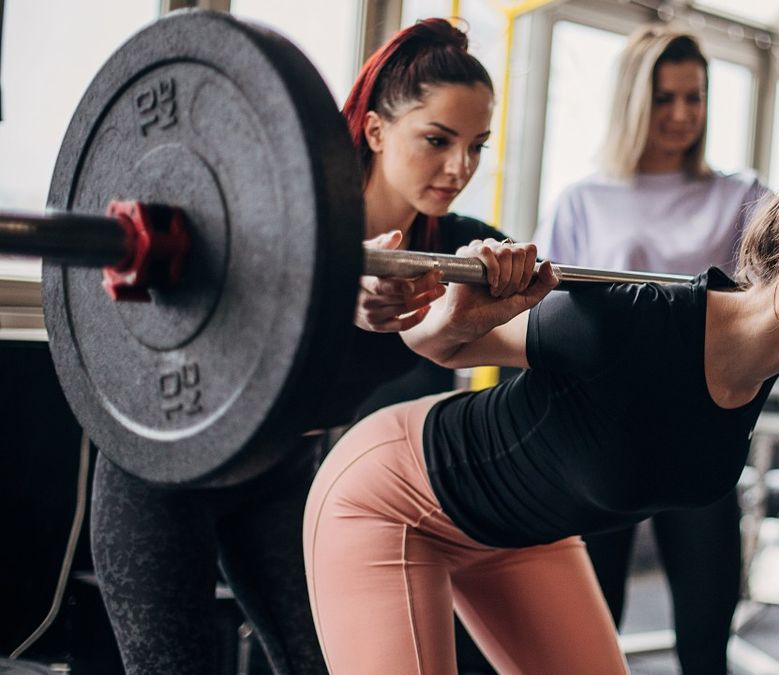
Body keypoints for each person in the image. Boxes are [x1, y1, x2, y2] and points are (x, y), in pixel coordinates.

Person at [303, 118, 779, 674]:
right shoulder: (631, 323)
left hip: (522, 536)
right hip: (393, 501)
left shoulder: (769, 362)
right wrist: (467, 310)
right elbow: (441, 346)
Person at [89, 19, 503, 675]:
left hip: (283, 476)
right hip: (166, 476)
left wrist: (512, 275)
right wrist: (336, 284)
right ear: (374, 131)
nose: (461, 167)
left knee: (329, 663)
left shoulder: (455, 246)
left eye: (477, 145)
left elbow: (532, 298)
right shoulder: (277, 217)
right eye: (437, 140)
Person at [533, 26, 768, 673]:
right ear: (634, 101)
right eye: (665, 99)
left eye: (695, 98)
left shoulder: (742, 195)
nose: (683, 115)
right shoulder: (582, 201)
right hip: (603, 440)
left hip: (702, 432)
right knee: (590, 638)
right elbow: (541, 319)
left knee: (704, 636)